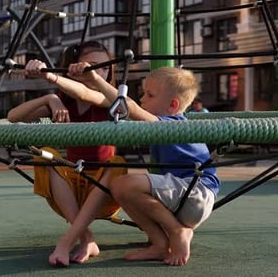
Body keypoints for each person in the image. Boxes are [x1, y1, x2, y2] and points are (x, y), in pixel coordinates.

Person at [25, 62, 220, 266]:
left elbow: (130, 107)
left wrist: (96, 80)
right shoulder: (164, 125)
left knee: (125, 184)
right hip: (182, 197)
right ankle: (160, 244)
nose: (143, 99)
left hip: (196, 192)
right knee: (122, 188)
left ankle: (176, 231)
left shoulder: (173, 124)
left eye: (150, 95)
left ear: (172, 105)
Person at [7, 41, 127, 264]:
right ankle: (86, 237)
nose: (98, 73)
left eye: (104, 68)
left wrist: (49, 76)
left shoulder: (110, 100)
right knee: (47, 153)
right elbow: (13, 116)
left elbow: (85, 94)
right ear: (73, 68)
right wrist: (49, 98)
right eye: (91, 66)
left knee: (117, 162)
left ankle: (67, 241)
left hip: (102, 190)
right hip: (70, 190)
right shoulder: (62, 103)